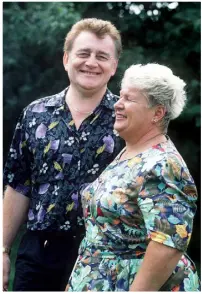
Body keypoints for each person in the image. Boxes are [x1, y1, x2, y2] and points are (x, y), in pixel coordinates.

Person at [3, 18, 125, 291]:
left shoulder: (127, 118)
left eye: (102, 56)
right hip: (38, 255)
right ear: (66, 58)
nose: (91, 63)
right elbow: (18, 184)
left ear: (114, 66)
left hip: (105, 256)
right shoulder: (35, 114)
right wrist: (2, 250)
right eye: (83, 53)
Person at [66, 63, 200, 292]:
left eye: (129, 99)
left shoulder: (163, 164)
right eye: (120, 96)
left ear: (157, 113)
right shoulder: (129, 153)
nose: (117, 104)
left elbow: (167, 244)